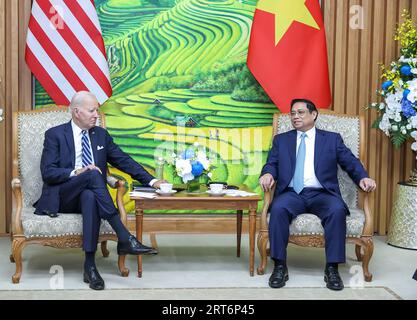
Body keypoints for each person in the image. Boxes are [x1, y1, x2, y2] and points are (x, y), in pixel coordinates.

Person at [34, 91, 167, 290]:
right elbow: (48, 172)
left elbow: (124, 160)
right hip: (63, 195)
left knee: (90, 196)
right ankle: (124, 236)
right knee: (93, 174)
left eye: (97, 110)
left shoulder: (101, 135)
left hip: (89, 196)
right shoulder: (55, 134)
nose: (97, 114)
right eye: (92, 110)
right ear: (76, 112)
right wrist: (77, 171)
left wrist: (152, 180)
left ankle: (90, 266)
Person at [259, 98, 376, 291]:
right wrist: (268, 173)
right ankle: (280, 266)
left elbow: (350, 162)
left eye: (301, 112)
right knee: (278, 208)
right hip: (292, 193)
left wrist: (363, 177)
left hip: (322, 193)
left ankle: (332, 268)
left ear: (313, 115)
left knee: (337, 209)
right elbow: (272, 162)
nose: (295, 116)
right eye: (293, 113)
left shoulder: (331, 139)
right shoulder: (282, 140)